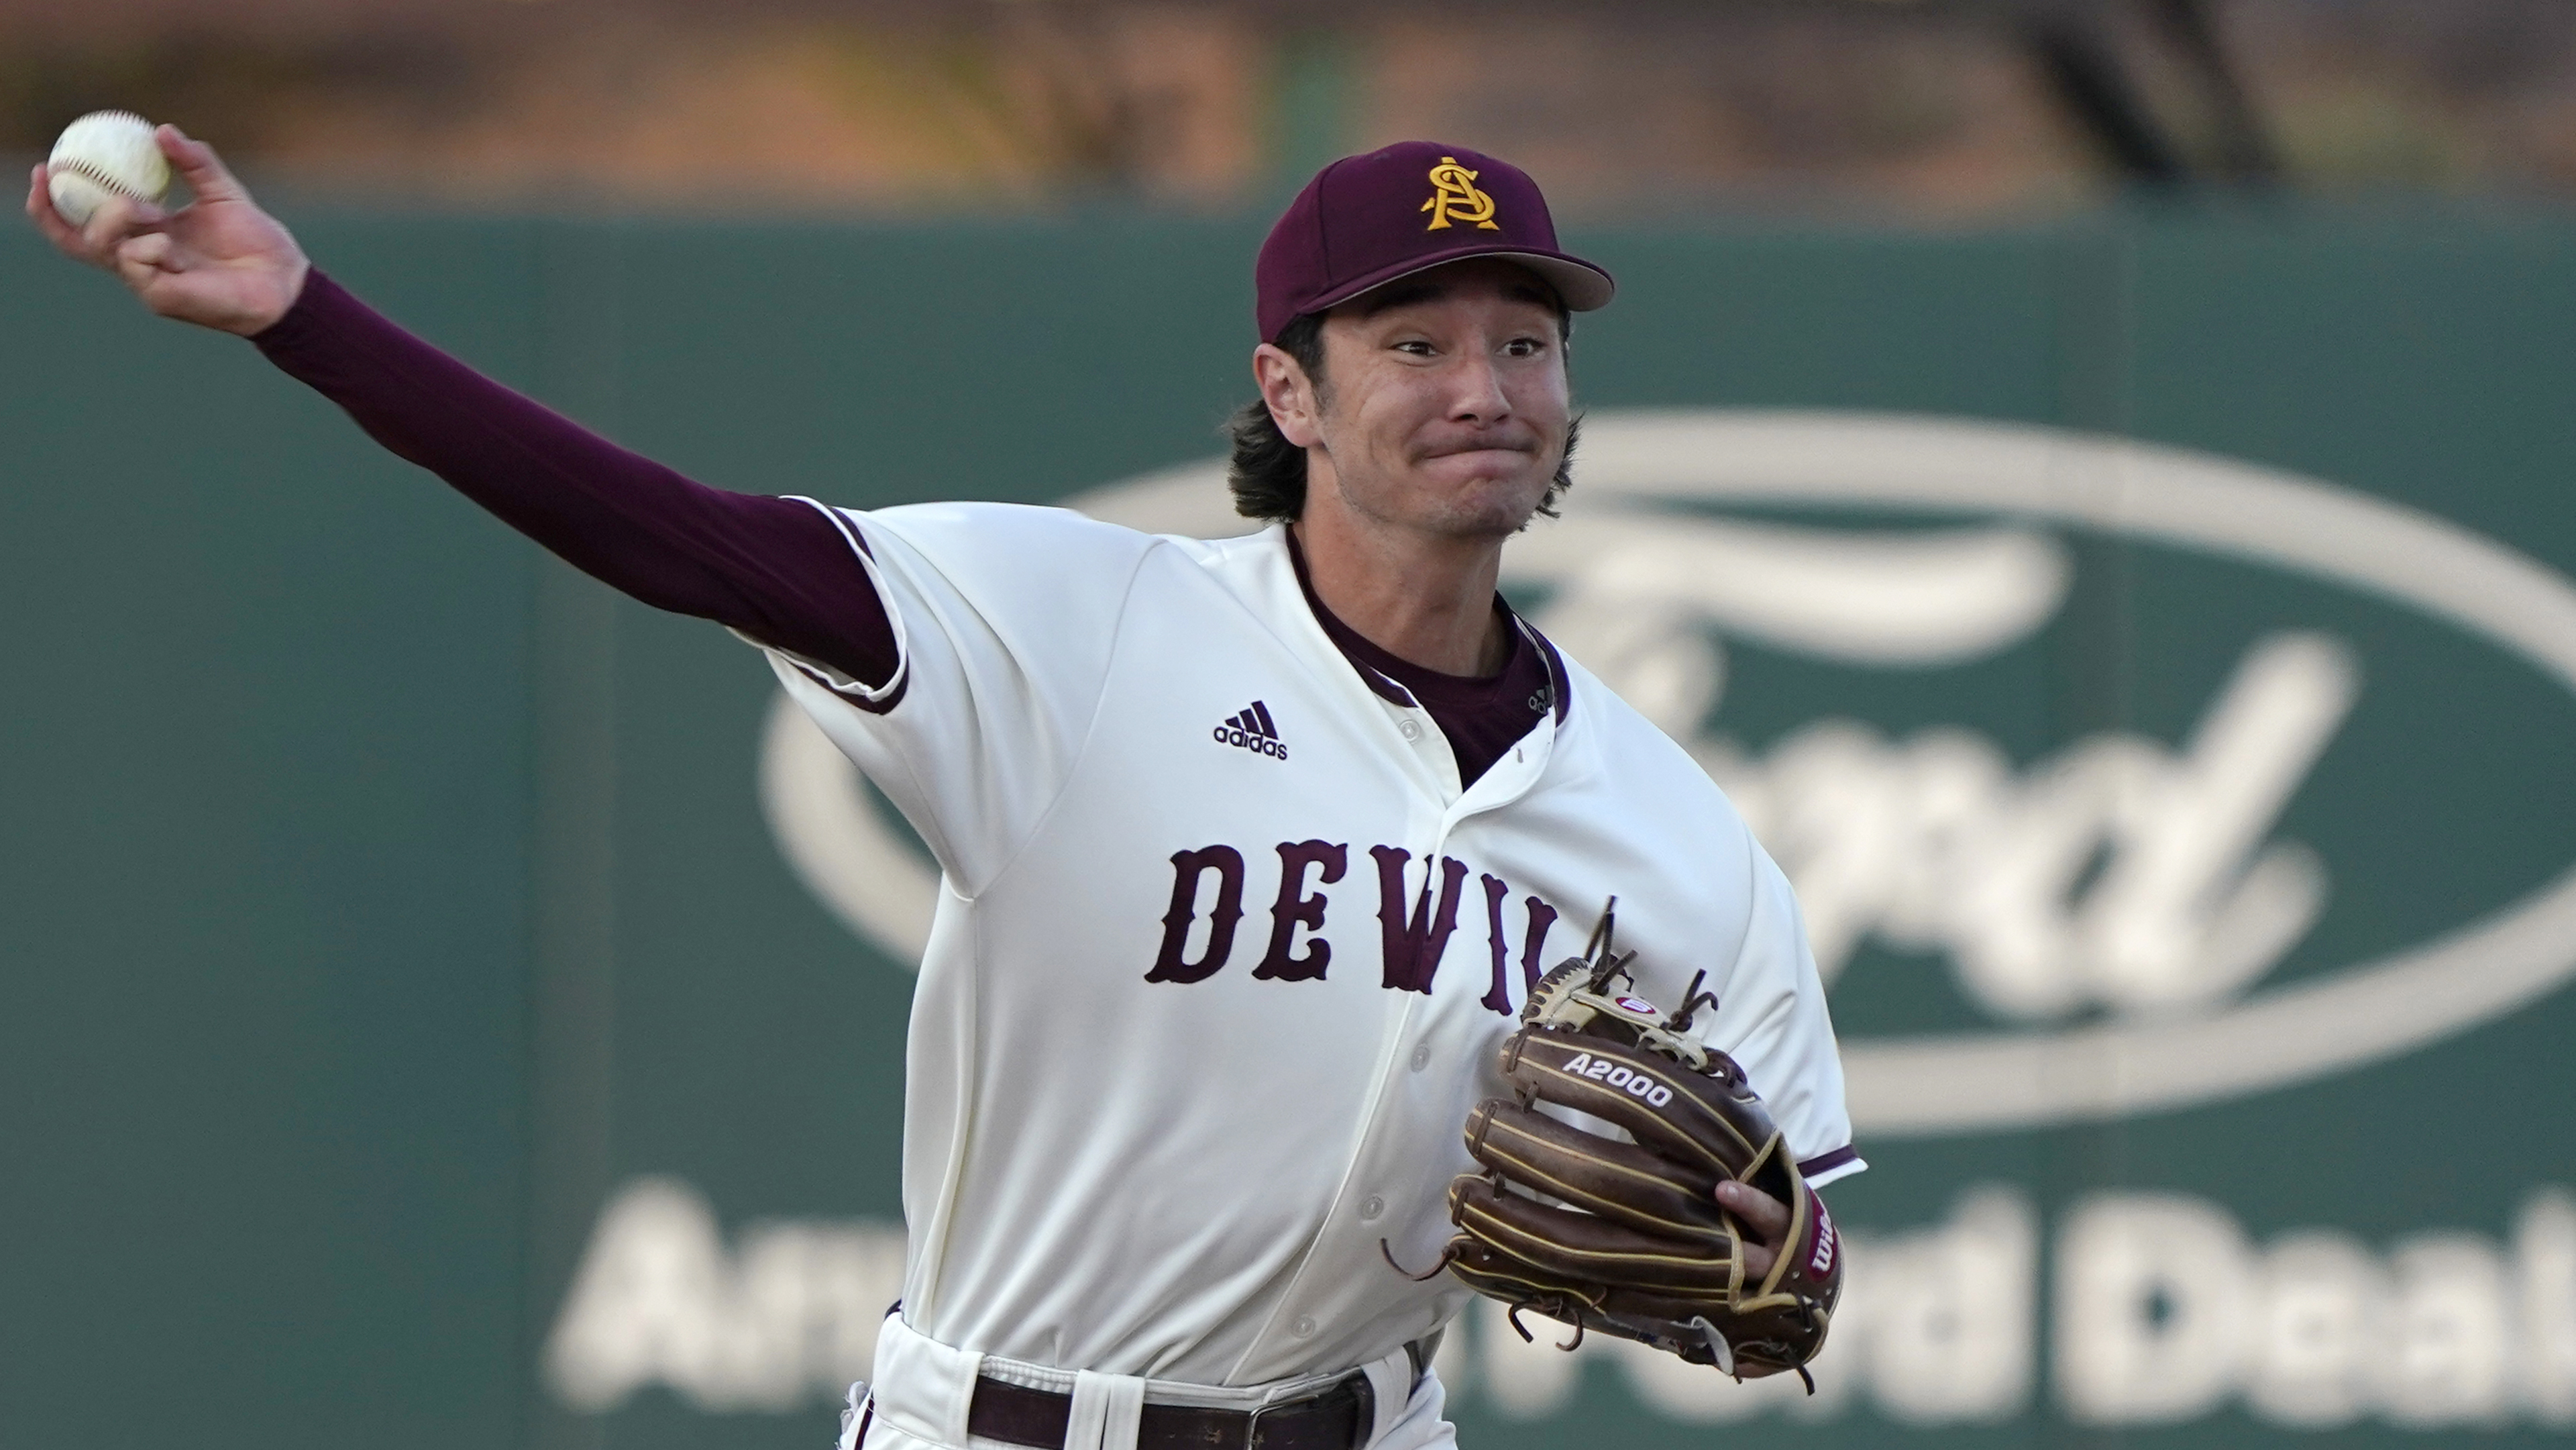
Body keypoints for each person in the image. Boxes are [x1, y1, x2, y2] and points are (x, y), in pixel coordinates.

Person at [31, 130, 1860, 1450]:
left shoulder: (1666, 823)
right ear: (1288, 395)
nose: (1484, 385)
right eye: (1414, 342)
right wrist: (305, 316)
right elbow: (675, 536)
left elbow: (1803, 1244)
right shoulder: (1075, 627)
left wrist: (1763, 1262)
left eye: (1523, 340)